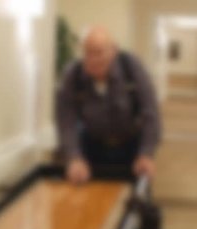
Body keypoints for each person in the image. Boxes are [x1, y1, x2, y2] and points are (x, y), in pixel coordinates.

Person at [56, 26, 162, 184]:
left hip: (131, 146)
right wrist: (74, 157)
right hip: (92, 145)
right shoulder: (73, 75)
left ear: (114, 51)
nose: (93, 59)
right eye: (88, 53)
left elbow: (150, 113)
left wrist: (146, 153)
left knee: (135, 197)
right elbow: (66, 121)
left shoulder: (131, 68)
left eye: (99, 52)